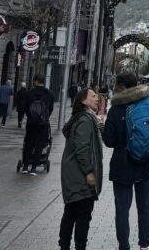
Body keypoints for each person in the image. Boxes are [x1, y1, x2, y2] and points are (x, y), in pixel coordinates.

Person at [103, 73, 149, 250]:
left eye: (117, 84)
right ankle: (144, 244)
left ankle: (124, 246)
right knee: (145, 208)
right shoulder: (148, 104)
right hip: (145, 163)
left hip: (122, 165)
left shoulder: (116, 110)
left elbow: (109, 141)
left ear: (123, 87)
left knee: (122, 210)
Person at [59, 87, 104, 250]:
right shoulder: (85, 120)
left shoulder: (84, 118)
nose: (97, 99)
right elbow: (82, 148)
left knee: (71, 212)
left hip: (74, 174)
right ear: (83, 101)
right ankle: (79, 246)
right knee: (82, 215)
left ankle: (64, 246)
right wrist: (88, 172)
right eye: (93, 96)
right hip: (79, 176)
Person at [22, 76, 55, 175]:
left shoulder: (29, 93)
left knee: (28, 144)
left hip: (31, 124)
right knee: (39, 145)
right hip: (43, 124)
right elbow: (50, 108)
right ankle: (34, 168)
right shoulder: (49, 94)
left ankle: (25, 166)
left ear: (36, 81)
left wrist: (31, 117)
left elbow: (26, 108)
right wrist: (44, 118)